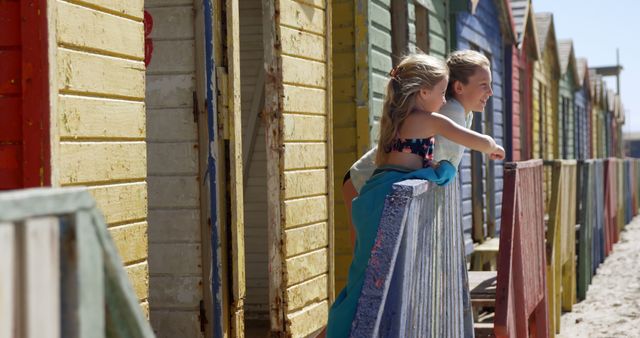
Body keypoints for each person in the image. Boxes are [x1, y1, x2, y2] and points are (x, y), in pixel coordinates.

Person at [327, 52, 504, 338]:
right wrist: (493, 146)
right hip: (384, 196)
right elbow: (470, 141)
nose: (444, 100)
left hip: (373, 194)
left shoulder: (400, 118)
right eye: (440, 93)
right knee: (372, 279)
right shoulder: (433, 119)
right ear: (423, 92)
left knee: (364, 275)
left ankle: (343, 328)